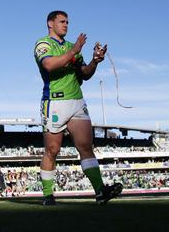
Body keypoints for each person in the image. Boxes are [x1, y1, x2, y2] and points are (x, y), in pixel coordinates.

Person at [34, 11, 123, 206]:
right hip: (54, 102)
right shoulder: (43, 44)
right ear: (50, 24)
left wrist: (94, 61)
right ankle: (48, 195)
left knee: (85, 147)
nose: (66, 25)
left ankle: (100, 192)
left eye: (67, 22)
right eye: (62, 21)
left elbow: (84, 74)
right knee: (52, 149)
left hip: (77, 101)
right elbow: (49, 65)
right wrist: (74, 50)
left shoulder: (71, 47)